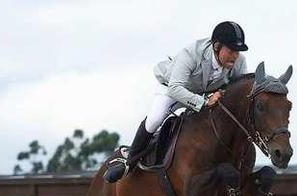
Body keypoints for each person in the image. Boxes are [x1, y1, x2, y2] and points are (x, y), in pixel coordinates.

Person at [104, 21, 249, 183]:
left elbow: (237, 92)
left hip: (204, 94)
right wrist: (205, 101)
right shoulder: (191, 54)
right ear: (216, 47)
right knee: (155, 119)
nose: (235, 56)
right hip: (173, 88)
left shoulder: (239, 61)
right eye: (231, 51)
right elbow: (175, 88)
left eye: (238, 51)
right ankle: (129, 163)